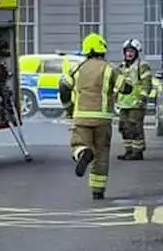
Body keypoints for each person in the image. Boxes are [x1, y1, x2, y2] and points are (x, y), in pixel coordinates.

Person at [59, 33, 132, 200]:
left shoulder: (77, 68)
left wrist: (69, 108)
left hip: (82, 117)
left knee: (78, 144)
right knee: (102, 155)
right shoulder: (110, 68)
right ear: (102, 50)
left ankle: (83, 153)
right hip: (103, 119)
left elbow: (63, 88)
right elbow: (126, 88)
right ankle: (98, 190)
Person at [116, 38, 154, 160]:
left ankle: (137, 152)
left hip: (137, 103)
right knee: (123, 127)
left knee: (135, 127)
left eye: (132, 51)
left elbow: (147, 83)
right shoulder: (121, 67)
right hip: (123, 104)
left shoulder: (142, 66)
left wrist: (142, 97)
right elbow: (117, 84)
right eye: (127, 51)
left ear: (137, 52)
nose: (129, 53)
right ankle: (128, 151)